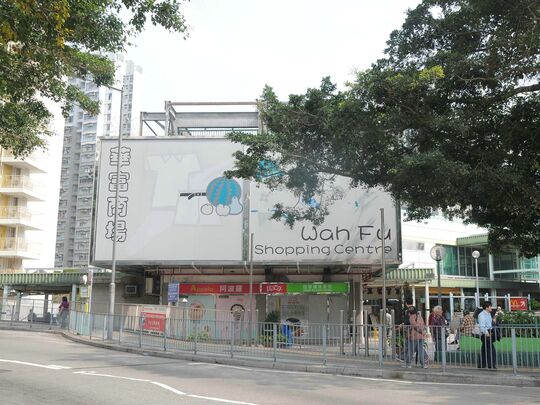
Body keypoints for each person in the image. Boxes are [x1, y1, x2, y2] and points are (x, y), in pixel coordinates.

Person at [478, 301, 497, 369]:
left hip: (489, 332)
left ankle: (482, 364)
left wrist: (494, 321)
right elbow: (482, 326)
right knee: (491, 349)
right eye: (490, 306)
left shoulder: (488, 314)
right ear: (486, 307)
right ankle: (491, 364)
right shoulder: (481, 315)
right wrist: (487, 333)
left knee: (484, 349)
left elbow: (490, 324)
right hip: (486, 334)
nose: (491, 308)